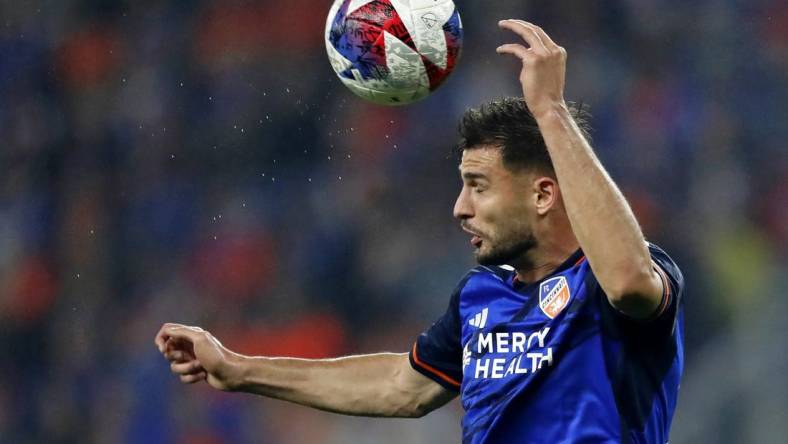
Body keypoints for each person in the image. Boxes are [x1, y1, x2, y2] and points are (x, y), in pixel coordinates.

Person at [155, 20, 684, 444]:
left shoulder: (617, 282)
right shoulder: (481, 296)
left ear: (543, 195)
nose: (459, 208)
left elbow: (629, 281)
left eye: (478, 186)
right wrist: (240, 368)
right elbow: (401, 385)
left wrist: (550, 111)